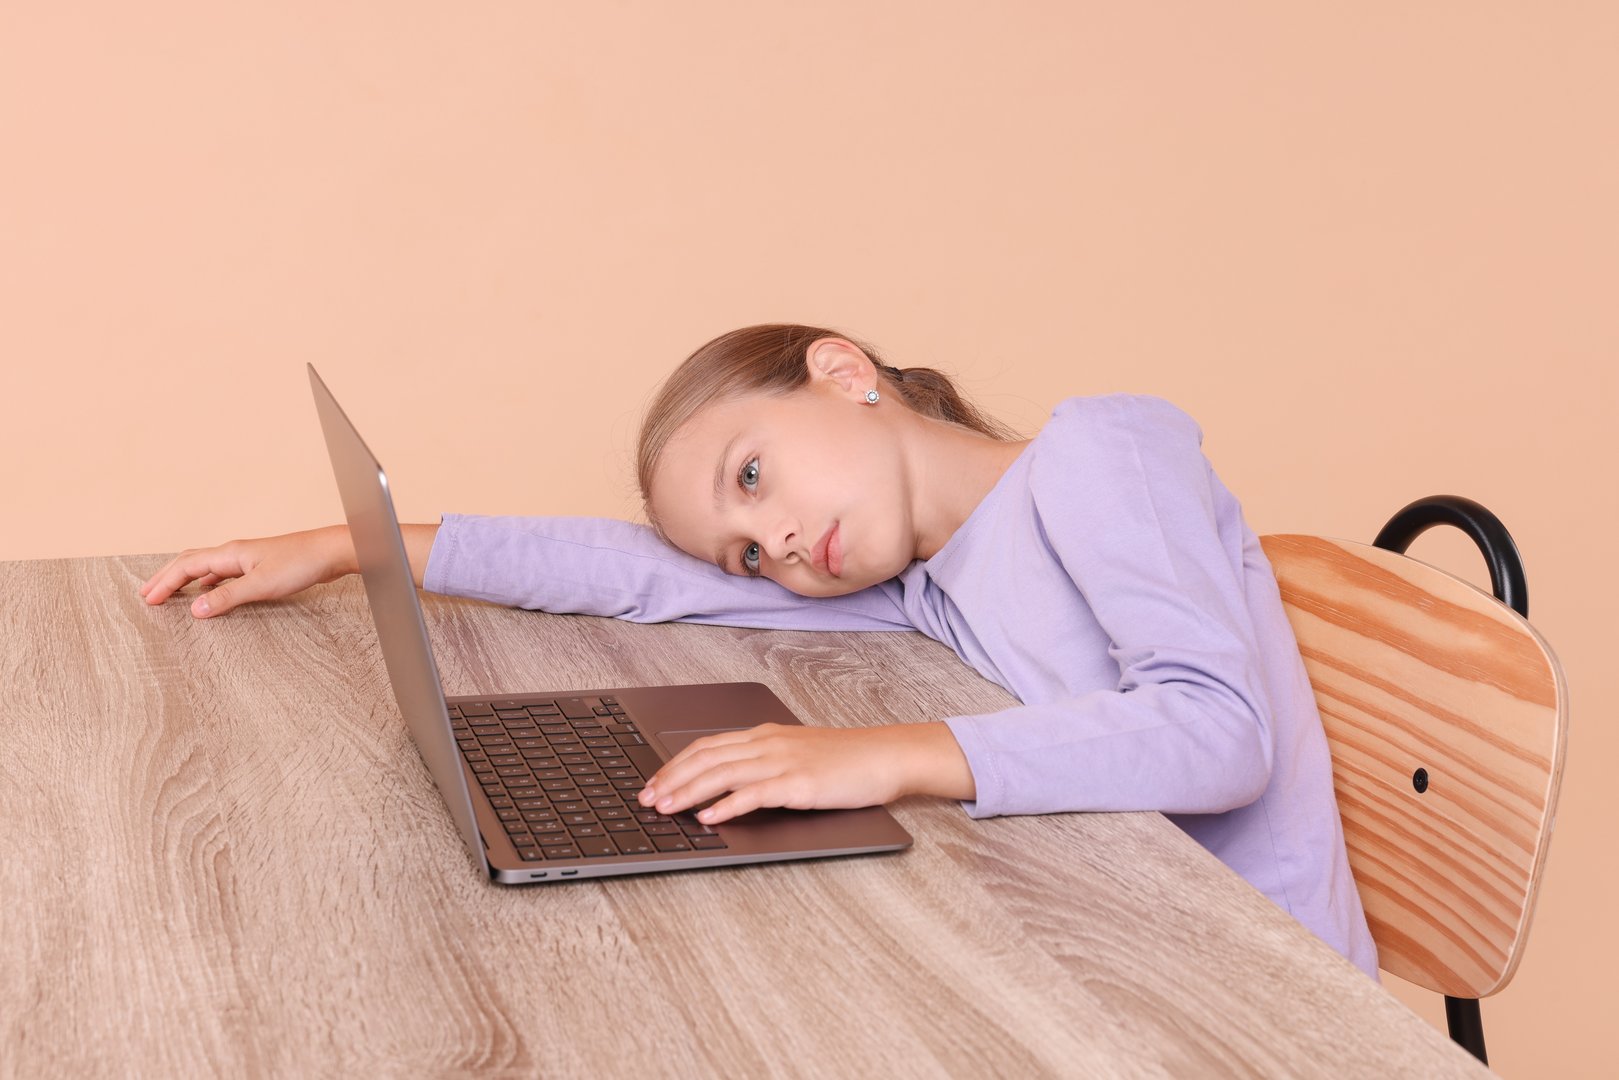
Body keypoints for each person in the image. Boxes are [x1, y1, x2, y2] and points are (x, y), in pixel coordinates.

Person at [139, 322, 1379, 979]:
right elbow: (638, 573)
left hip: (1264, 995)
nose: (776, 540)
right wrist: (348, 547)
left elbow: (1221, 733)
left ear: (840, 373)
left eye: (751, 475)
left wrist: (881, 756)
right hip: (1105, 951)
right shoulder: (918, 588)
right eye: (747, 551)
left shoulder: (1098, 451)